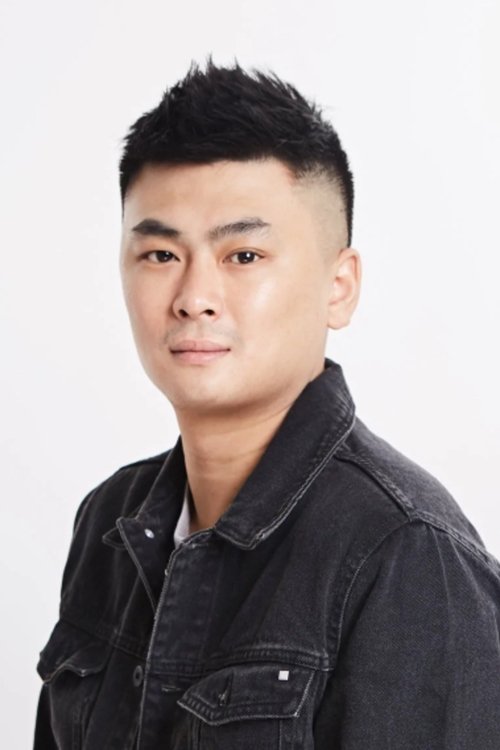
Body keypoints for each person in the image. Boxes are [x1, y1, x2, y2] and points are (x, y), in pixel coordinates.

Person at [34, 59, 500, 749]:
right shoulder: (110, 523)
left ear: (339, 287)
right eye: (160, 255)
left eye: (243, 256)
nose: (194, 297)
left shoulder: (407, 555)